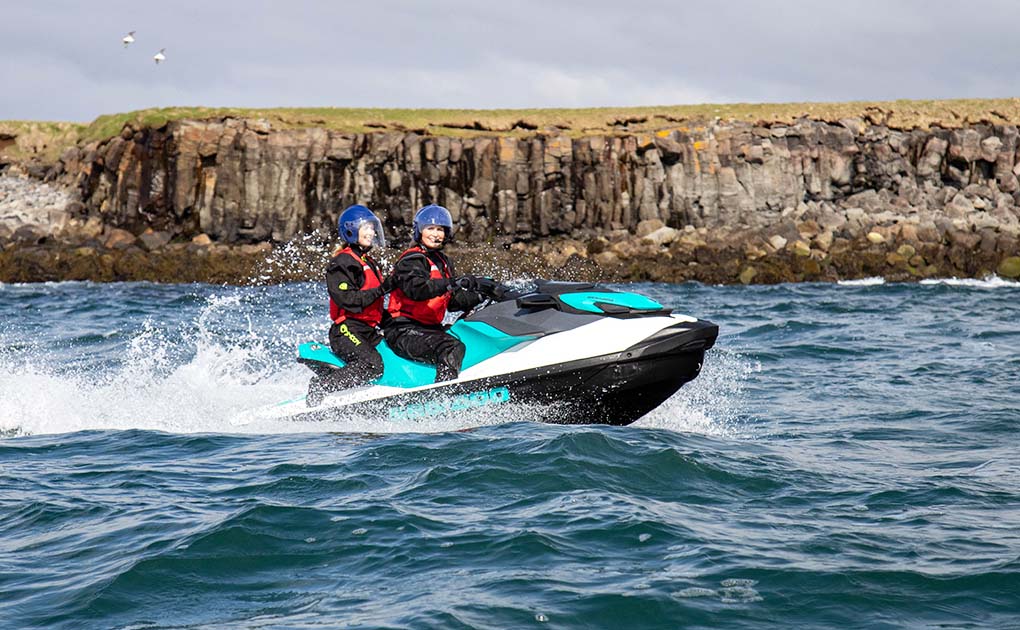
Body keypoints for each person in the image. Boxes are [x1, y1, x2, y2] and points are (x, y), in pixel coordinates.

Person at [384, 204, 499, 382]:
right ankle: (445, 395)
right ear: (419, 231)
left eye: (440, 229)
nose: (436, 234)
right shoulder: (411, 260)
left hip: (428, 329)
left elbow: (452, 302)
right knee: (450, 347)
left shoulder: (444, 262)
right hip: (403, 331)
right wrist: (453, 282)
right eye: (430, 228)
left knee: (469, 336)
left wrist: (482, 294)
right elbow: (417, 290)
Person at [307, 204, 393, 406]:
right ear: (351, 230)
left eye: (373, 228)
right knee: (372, 365)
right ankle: (321, 387)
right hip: (346, 330)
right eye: (366, 228)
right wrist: (383, 289)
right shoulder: (343, 262)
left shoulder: (369, 261)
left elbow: (374, 306)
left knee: (393, 354)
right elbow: (348, 300)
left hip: (368, 330)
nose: (372, 233)